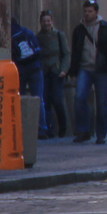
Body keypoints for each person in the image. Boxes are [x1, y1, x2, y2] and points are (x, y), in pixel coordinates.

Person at [67, 0, 107, 144]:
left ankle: (101, 134)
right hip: (84, 68)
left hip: (101, 69)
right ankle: (83, 131)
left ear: (96, 12)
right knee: (79, 98)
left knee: (102, 102)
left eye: (90, 11)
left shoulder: (106, 28)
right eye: (85, 11)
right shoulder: (79, 29)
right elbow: (75, 51)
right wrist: (73, 70)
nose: (87, 14)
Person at [35, 10, 68, 138]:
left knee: (57, 99)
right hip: (44, 71)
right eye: (44, 21)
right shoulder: (37, 38)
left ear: (52, 22)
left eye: (48, 21)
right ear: (40, 23)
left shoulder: (59, 35)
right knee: (45, 101)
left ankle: (63, 126)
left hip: (57, 71)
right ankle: (49, 129)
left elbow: (66, 53)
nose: (46, 23)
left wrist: (64, 69)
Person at [11, 17, 42, 133]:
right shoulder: (26, 32)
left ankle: (20, 126)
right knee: (39, 98)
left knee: (19, 98)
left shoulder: (9, 36)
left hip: (20, 70)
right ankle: (41, 128)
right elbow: (38, 50)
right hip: (35, 67)